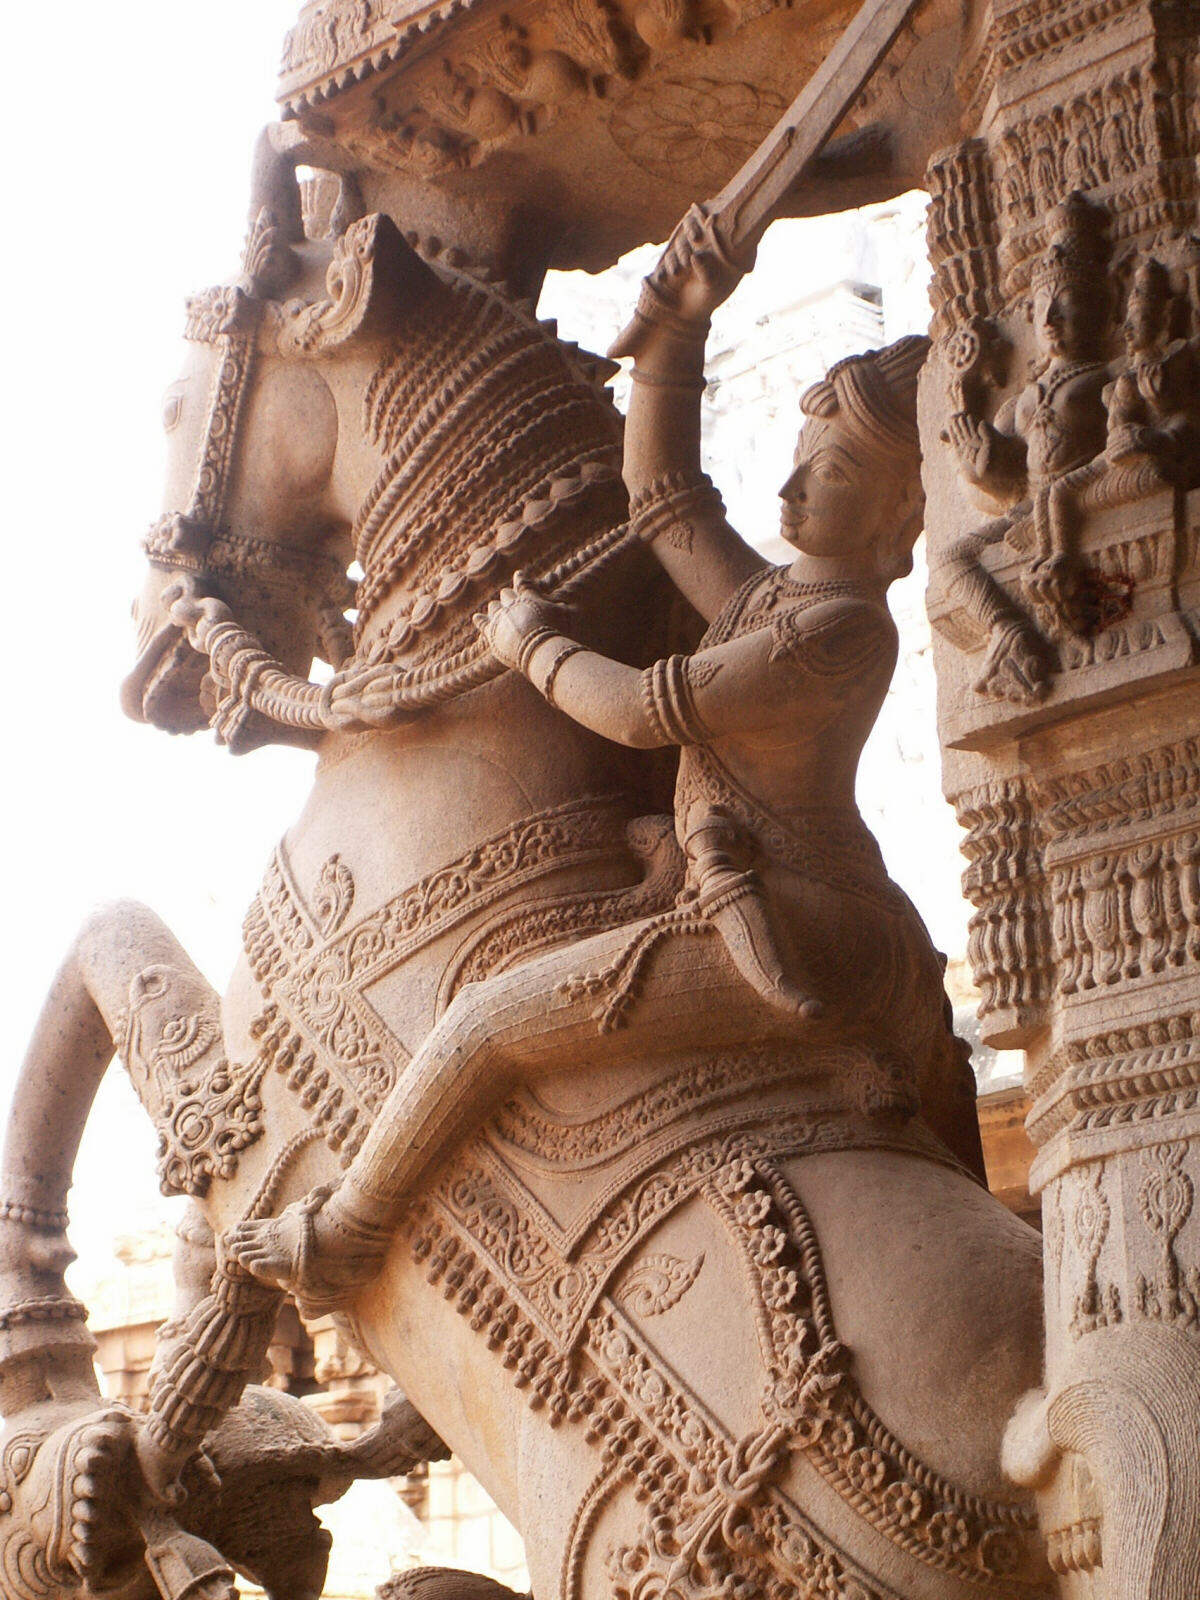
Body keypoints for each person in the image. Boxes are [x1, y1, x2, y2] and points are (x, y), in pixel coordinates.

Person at [225, 212, 983, 1312]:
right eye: (803, 458)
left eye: (835, 472)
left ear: (900, 513)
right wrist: (678, 330)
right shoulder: (776, 597)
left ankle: (345, 1233)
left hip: (799, 916)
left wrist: (528, 643)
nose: (795, 488)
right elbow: (669, 504)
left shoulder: (838, 632)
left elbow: (638, 711)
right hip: (726, 871)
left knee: (488, 1020)